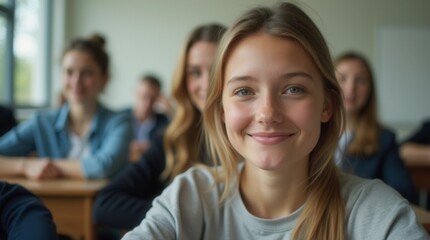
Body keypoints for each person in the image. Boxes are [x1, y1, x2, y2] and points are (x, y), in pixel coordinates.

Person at [122, 3, 428, 239]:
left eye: (294, 89)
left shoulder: (376, 212)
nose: (267, 113)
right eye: (244, 91)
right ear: (221, 111)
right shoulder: (190, 197)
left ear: (327, 105)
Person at [92, 23, 227, 230]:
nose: (207, 84)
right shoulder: (172, 139)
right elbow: (105, 204)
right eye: (195, 72)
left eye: (217, 70)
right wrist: (179, 218)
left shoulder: (258, 140)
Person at [0, 34, 132, 179]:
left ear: (104, 79)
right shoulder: (41, 123)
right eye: (69, 72)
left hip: (102, 201)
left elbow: (103, 167)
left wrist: (47, 165)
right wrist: (25, 166)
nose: (76, 81)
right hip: (46, 201)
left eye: (86, 73)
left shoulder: (119, 122)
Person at [334, 51, 418, 203]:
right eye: (342, 78)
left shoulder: (384, 138)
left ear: (370, 89)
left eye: (360, 80)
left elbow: (405, 192)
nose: (350, 88)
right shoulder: (310, 132)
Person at [128, 74, 169, 162]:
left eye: (153, 99)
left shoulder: (165, 121)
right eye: (144, 96)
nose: (147, 104)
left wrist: (170, 109)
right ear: (135, 93)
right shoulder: (119, 118)